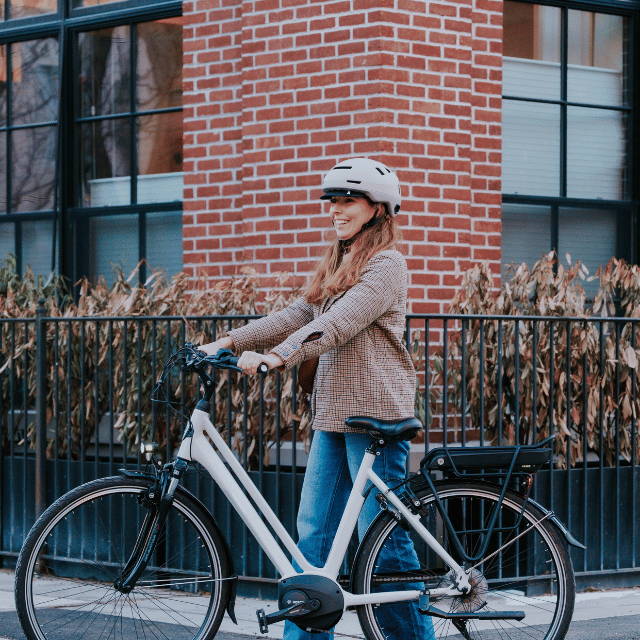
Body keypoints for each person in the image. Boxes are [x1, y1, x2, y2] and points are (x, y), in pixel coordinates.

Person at [200, 157, 435, 640]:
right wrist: (227, 342)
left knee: (382, 544)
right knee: (314, 540)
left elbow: (336, 323)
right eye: (334, 201)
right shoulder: (338, 262)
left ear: (377, 208)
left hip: (375, 420)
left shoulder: (387, 265)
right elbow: (296, 313)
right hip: (331, 416)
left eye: (348, 200)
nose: (336, 209)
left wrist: (277, 358)